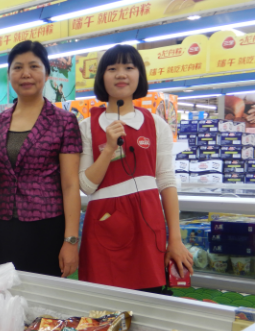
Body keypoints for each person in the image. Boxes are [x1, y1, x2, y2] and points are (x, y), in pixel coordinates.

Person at [78, 44, 194, 293]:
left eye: (129, 67)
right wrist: (109, 149)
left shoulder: (157, 124)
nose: (121, 74)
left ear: (139, 74)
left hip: (148, 225)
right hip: (103, 225)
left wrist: (175, 239)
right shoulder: (86, 126)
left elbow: (166, 181)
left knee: (149, 299)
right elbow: (86, 186)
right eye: (112, 69)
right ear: (102, 77)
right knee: (103, 305)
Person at [0, 40, 82, 277]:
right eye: (17, 67)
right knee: (7, 289)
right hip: (5, 226)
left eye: (34, 66)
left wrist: (71, 240)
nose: (25, 74)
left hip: (48, 226)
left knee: (46, 293)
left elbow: (70, 185)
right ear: (9, 75)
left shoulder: (64, 121)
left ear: (47, 74)